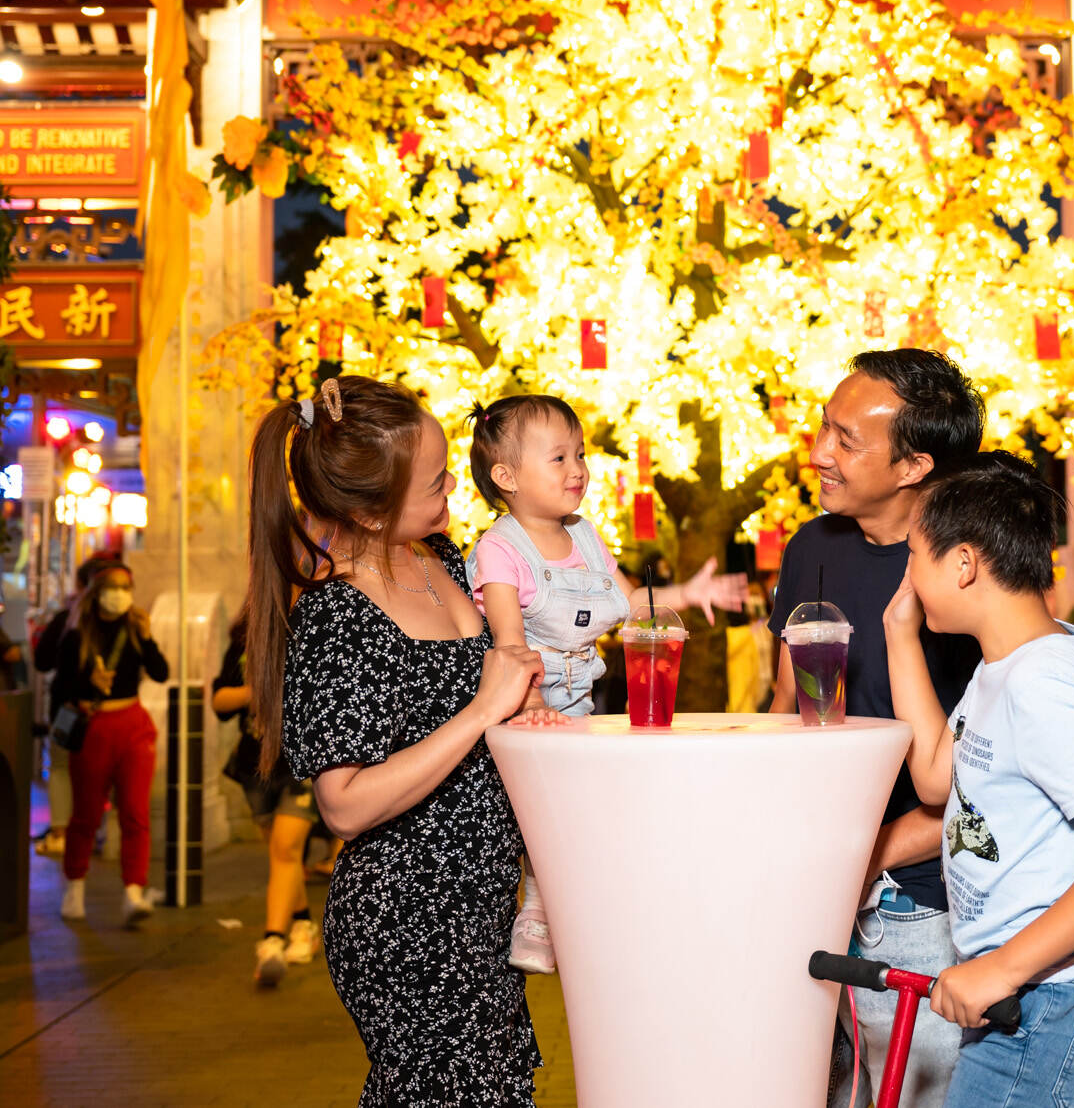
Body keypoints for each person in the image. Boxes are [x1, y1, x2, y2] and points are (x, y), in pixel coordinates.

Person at [249, 376, 545, 1105]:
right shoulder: (336, 618)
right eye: (436, 480)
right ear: (366, 508)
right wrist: (481, 710)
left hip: (480, 904)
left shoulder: (440, 560)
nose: (453, 489)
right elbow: (342, 804)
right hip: (407, 918)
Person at [883, 453, 1074, 1108]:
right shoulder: (1005, 666)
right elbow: (936, 776)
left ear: (963, 564)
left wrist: (1000, 968)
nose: (908, 576)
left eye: (914, 557)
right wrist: (899, 633)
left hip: (1064, 994)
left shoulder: (1040, 682)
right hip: (1035, 990)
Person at [765, 348, 986, 1108]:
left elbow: (981, 781)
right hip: (809, 886)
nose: (818, 452)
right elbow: (785, 706)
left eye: (845, 439)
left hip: (914, 902)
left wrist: (867, 859)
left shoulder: (967, 574)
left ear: (913, 465)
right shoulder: (809, 547)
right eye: (824, 427)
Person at [466, 394, 744, 973]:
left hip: (582, 703)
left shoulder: (586, 536)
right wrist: (532, 702)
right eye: (559, 458)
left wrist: (690, 594)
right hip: (524, 707)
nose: (577, 471)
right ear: (506, 477)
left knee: (583, 818)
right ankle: (536, 916)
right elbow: (507, 642)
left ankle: (580, 914)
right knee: (545, 817)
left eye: (581, 456)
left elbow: (626, 600)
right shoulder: (500, 549)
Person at [52, 561, 167, 927]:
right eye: (112, 587)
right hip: (94, 726)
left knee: (135, 811)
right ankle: (75, 887)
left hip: (132, 723)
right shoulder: (77, 634)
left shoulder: (135, 628)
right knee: (86, 813)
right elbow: (60, 688)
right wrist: (89, 682)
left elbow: (161, 672)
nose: (119, 595)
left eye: (125, 588)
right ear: (96, 592)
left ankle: (134, 889)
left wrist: (148, 638)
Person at [213, 616, 322, 986]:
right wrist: (254, 690)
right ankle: (304, 922)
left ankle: (272, 940)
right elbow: (219, 701)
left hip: (299, 765)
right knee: (281, 856)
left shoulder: (316, 626)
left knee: (286, 848)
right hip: (254, 764)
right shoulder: (245, 638)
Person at [31, 554, 118, 854]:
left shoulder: (66, 620)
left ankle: (61, 832)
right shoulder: (124, 626)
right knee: (97, 774)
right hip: (107, 712)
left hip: (67, 711)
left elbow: (42, 661)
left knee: (61, 769)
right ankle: (95, 830)